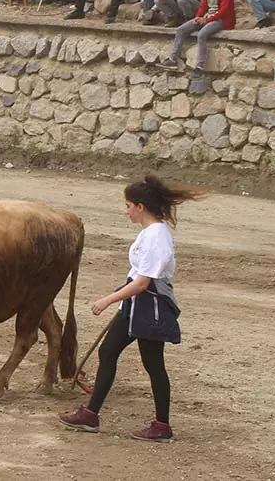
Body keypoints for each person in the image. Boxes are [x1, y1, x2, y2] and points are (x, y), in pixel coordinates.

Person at [58, 175, 204, 443]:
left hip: (150, 307)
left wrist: (109, 299)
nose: (126, 211)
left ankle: (162, 426)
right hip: (138, 305)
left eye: (128, 206)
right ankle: (91, 414)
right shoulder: (149, 233)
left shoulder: (157, 236)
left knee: (154, 365)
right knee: (108, 351)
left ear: (139, 206)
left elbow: (142, 283)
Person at [156, 0, 235, 78]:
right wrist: (198, 17)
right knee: (181, 30)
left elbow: (224, 10)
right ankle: (172, 59)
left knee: (202, 34)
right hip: (207, 17)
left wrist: (207, 20)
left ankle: (199, 67)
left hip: (221, 20)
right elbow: (203, 5)